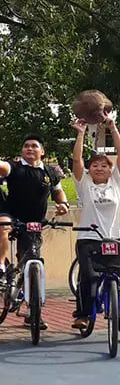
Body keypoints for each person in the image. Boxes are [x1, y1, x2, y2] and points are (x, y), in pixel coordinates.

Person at [0, 134, 69, 330]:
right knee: (2, 224)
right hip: (12, 215)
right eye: (26, 146)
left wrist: (64, 205)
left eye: (34, 146)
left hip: (34, 223)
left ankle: (33, 312)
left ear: (42, 151)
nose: (29, 149)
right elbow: (1, 166)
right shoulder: (15, 167)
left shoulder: (50, 172)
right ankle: (0, 268)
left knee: (32, 265)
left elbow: (58, 192)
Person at [70, 115, 120, 330]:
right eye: (95, 165)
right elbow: (76, 161)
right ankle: (83, 314)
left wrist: (113, 128)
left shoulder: (116, 182)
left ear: (111, 169)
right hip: (88, 239)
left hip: (115, 238)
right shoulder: (85, 184)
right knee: (89, 277)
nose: (99, 168)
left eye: (104, 165)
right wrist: (80, 133)